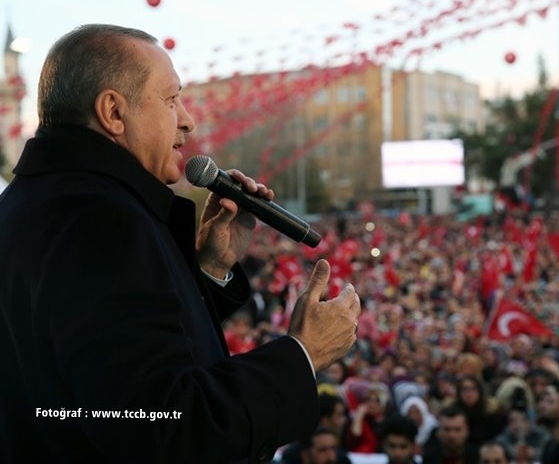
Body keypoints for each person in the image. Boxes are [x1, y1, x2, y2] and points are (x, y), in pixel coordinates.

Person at [0, 24, 361, 463]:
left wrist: (204, 270)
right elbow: (162, 427)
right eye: (171, 100)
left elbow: (102, 355)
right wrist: (304, 354)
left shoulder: (29, 204)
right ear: (113, 112)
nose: (187, 120)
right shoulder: (103, 223)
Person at [279, 393, 351, 464]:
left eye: (333, 449)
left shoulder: (341, 456)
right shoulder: (292, 455)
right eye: (339, 415)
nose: (331, 457)